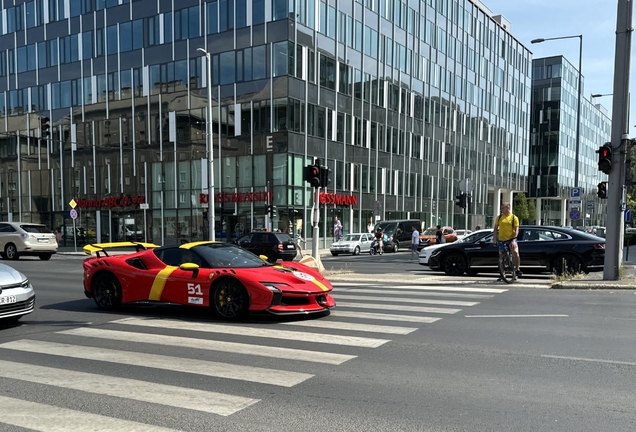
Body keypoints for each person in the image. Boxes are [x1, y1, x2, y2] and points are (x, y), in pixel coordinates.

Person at [493, 202, 522, 279]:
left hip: (511, 239)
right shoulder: (499, 218)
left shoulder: (514, 218)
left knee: (515, 252)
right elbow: (495, 229)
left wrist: (513, 240)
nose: (501, 209)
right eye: (501, 208)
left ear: (508, 208)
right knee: (501, 258)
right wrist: (494, 239)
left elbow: (516, 230)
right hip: (502, 240)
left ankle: (517, 269)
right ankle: (502, 275)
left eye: (503, 208)